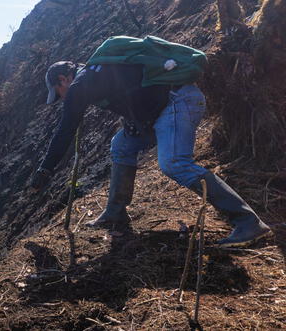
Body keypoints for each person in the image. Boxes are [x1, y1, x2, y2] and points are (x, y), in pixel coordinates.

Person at [30, 37, 272, 248]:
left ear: (63, 79)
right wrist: (134, 119)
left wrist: (45, 170)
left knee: (174, 163)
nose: (61, 98)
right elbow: (135, 89)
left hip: (179, 102)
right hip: (174, 102)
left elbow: (65, 131)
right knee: (122, 144)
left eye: (58, 92)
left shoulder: (81, 85)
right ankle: (115, 212)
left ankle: (247, 221)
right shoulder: (99, 70)